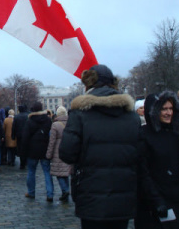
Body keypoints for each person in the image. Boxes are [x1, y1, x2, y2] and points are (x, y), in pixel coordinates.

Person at [60, 64, 142, 229]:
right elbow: (139, 155)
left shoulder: (80, 115)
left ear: (88, 85)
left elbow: (67, 153)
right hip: (124, 193)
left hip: (91, 193)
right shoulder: (132, 117)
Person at [135, 91, 179, 228]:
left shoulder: (176, 133)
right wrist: (156, 200)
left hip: (177, 199)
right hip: (153, 204)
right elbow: (143, 173)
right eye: (163, 109)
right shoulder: (143, 135)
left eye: (171, 108)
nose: (168, 113)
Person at [22, 102, 54, 202]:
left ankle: (31, 192)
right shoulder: (48, 120)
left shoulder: (30, 121)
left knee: (31, 171)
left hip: (32, 150)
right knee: (47, 172)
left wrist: (23, 151)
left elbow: (25, 137)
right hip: (45, 149)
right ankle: (50, 194)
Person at [45, 106, 72, 202]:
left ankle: (65, 190)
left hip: (58, 151)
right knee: (66, 172)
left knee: (59, 173)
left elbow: (51, 141)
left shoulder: (55, 125)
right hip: (69, 149)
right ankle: (66, 191)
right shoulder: (71, 123)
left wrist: (49, 154)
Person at [12, 105, 30, 170]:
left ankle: (22, 163)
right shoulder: (28, 116)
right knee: (27, 149)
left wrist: (13, 135)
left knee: (21, 150)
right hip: (27, 135)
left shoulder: (16, 117)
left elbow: (14, 127)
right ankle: (26, 162)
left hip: (19, 135)